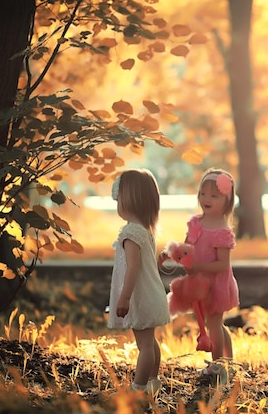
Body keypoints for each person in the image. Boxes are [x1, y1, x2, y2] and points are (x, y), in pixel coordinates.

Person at [107, 169, 170, 395]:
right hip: (152, 294)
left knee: (144, 346)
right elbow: (144, 266)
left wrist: (124, 298)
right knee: (150, 343)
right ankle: (153, 381)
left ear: (128, 199)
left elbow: (133, 268)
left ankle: (138, 388)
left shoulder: (131, 233)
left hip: (140, 298)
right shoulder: (145, 231)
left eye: (119, 197)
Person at [182, 167, 239, 375]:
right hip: (201, 283)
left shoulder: (222, 231)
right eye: (203, 193)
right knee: (216, 323)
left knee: (215, 323)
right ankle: (228, 362)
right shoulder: (196, 222)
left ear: (227, 200)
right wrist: (179, 255)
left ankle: (218, 366)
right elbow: (187, 245)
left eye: (214, 196)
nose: (207, 198)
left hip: (217, 285)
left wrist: (198, 266)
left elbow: (222, 265)